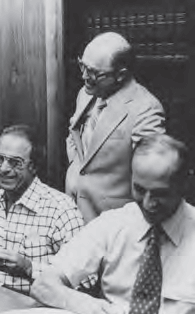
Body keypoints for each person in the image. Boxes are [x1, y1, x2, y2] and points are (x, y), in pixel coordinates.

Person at [32, 134, 195, 314]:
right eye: (140, 190)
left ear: (185, 184)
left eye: (160, 194)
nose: (148, 204)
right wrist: (84, 304)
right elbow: (43, 285)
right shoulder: (112, 224)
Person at [0, 125, 84, 295]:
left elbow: (86, 280)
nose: (3, 168)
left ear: (34, 166)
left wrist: (30, 269)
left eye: (15, 162)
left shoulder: (61, 209)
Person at [66, 31, 165, 222]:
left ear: (121, 75)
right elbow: (74, 134)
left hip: (113, 223)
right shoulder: (86, 94)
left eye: (94, 72)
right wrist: (74, 165)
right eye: (82, 66)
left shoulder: (146, 109)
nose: (84, 76)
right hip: (73, 214)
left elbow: (151, 175)